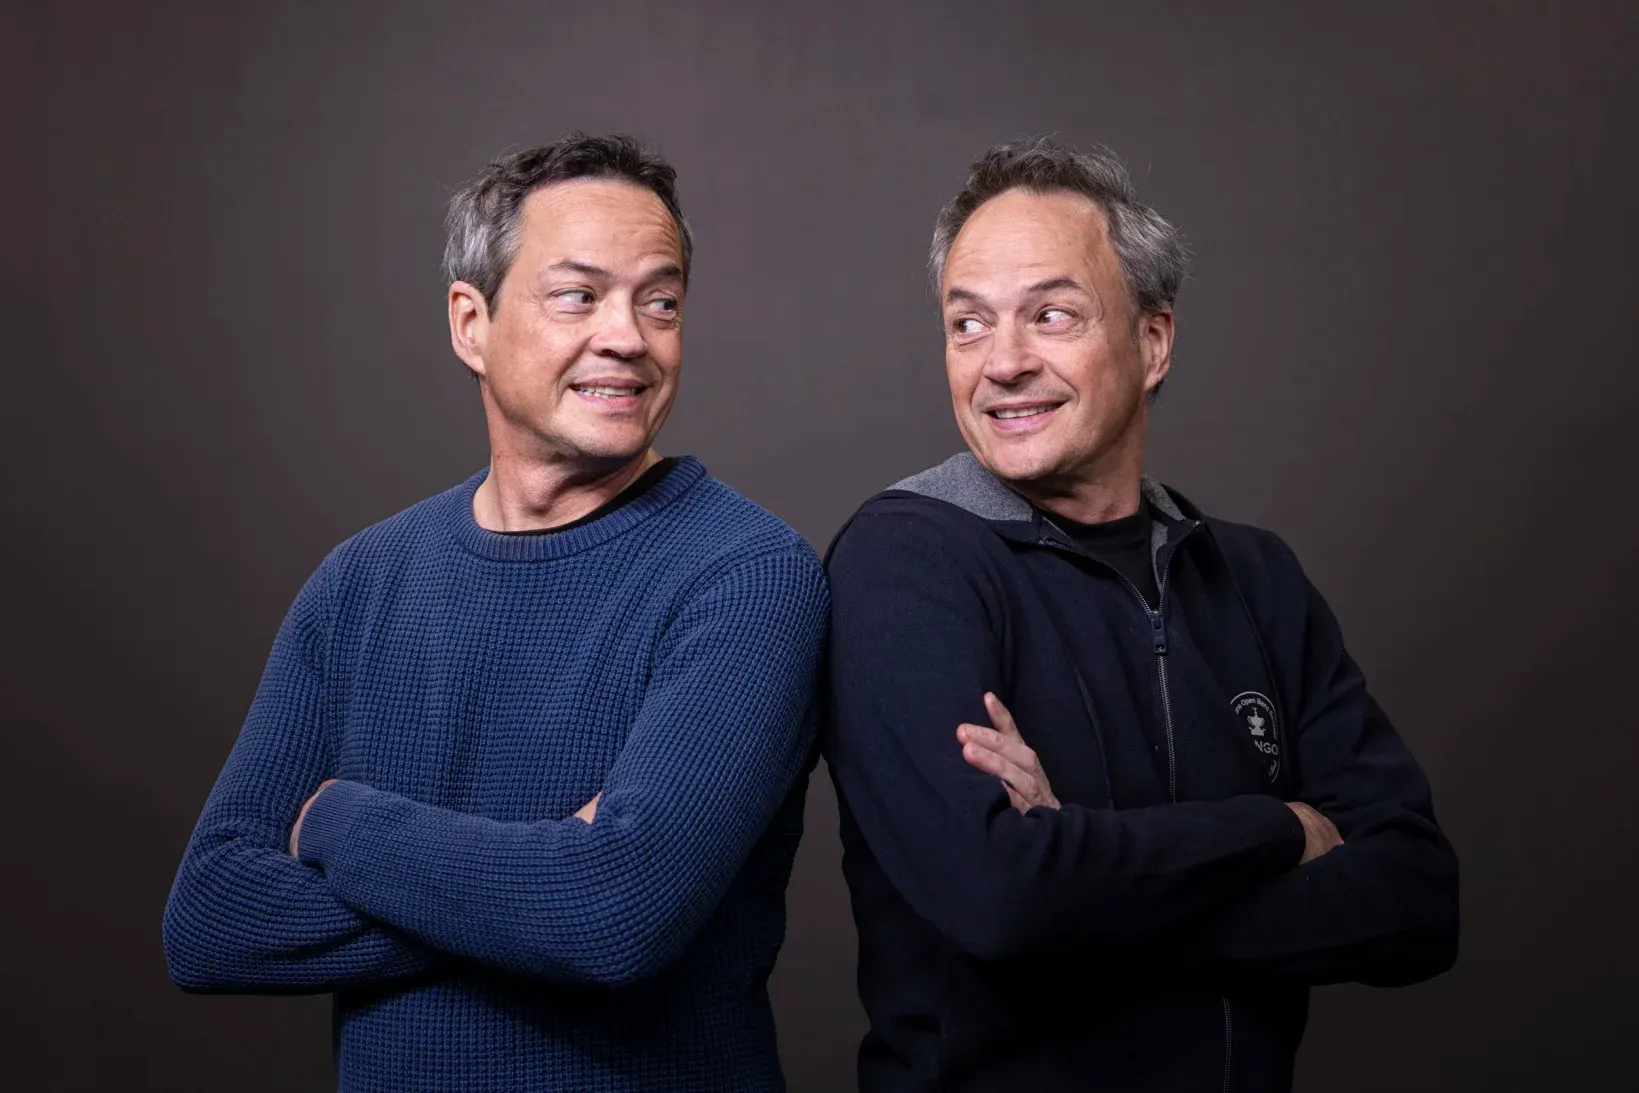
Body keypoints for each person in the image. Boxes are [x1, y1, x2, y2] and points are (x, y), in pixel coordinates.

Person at [163, 133, 829, 1092]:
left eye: (661, 300)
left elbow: (613, 915)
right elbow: (212, 920)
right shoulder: (361, 583)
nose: (628, 337)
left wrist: (342, 823)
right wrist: (546, 879)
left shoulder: (747, 576)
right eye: (578, 296)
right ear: (471, 323)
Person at [823, 137, 1459, 1092]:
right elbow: (997, 897)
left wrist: (1080, 888)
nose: (1003, 362)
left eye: (1051, 315)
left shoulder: (1253, 577)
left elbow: (1417, 899)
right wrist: (1280, 830)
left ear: (1152, 342)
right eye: (968, 323)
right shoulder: (906, 562)